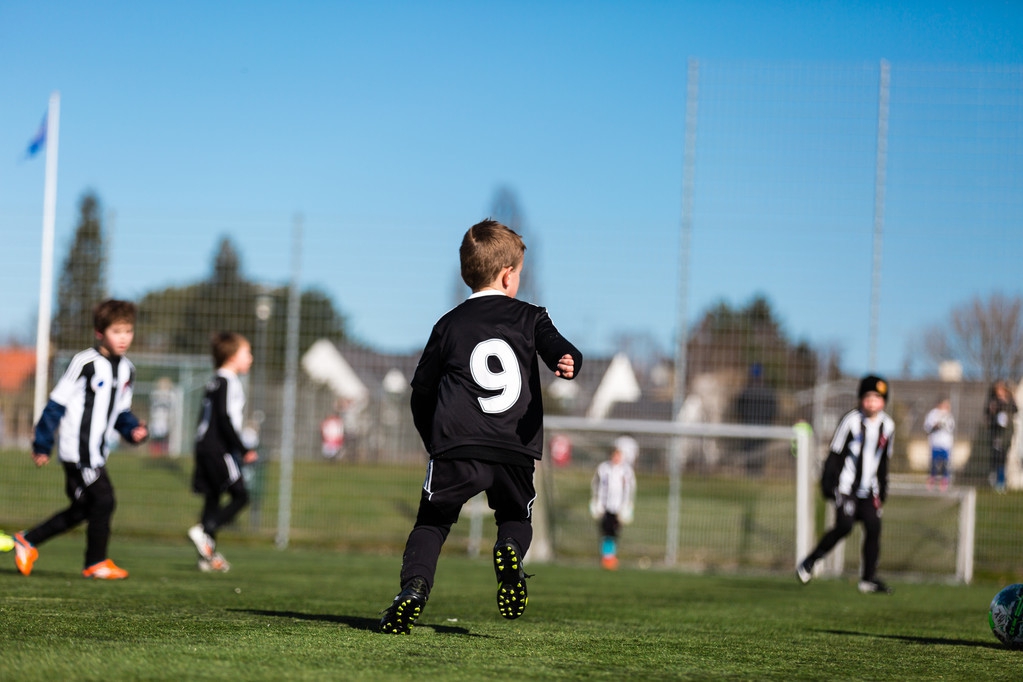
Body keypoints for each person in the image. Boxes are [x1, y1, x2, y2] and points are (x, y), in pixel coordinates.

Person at [379, 219, 582, 635]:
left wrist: (433, 437)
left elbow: (421, 390)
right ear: (509, 275)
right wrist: (567, 357)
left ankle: (413, 590)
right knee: (515, 517)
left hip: (457, 444)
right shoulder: (532, 317)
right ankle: (509, 551)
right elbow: (558, 346)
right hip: (514, 447)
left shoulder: (449, 324)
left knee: (433, 523)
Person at [13, 299, 149, 579]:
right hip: (77, 450)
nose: (124, 338)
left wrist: (133, 430)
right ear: (100, 332)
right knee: (104, 500)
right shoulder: (84, 362)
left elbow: (121, 411)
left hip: (98, 453)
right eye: (117, 331)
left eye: (128, 331)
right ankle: (95, 562)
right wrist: (42, 443)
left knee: (85, 508)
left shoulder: (127, 370)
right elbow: (55, 404)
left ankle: (28, 540)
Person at [797, 375, 895, 594]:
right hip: (846, 487)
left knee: (874, 527)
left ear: (884, 401)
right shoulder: (851, 421)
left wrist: (883, 488)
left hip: (870, 490)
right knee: (845, 525)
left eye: (878, 397)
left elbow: (883, 461)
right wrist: (827, 482)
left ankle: (868, 579)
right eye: (868, 396)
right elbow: (835, 453)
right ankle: (811, 560)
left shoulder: (888, 426)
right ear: (861, 398)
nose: (872, 401)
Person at [187, 332, 258, 572]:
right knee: (241, 495)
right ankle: (204, 532)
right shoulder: (228, 381)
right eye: (247, 353)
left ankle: (207, 557)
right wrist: (243, 448)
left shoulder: (214, 380)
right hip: (218, 448)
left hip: (204, 445)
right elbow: (224, 418)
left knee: (213, 499)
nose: (251, 358)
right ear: (231, 356)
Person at [589, 436, 637, 570]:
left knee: (614, 532)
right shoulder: (603, 468)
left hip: (619, 507)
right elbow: (595, 485)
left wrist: (628, 506)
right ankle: (606, 557)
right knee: (605, 530)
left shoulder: (626, 471)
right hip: (605, 506)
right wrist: (596, 501)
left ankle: (610, 556)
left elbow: (630, 489)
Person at [986, 380, 1018, 494]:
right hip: (996, 432)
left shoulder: (1010, 400)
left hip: (1006, 433)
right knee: (996, 456)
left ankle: (1001, 482)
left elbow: (1015, 409)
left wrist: (1005, 403)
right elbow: (987, 413)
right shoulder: (993, 400)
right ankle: (994, 479)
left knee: (1003, 458)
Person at [923, 397, 955, 492]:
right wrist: (935, 426)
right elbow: (927, 427)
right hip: (935, 442)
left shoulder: (948, 415)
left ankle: (944, 481)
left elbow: (951, 427)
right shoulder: (933, 414)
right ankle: (932, 480)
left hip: (945, 444)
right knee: (934, 463)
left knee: (945, 463)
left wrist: (943, 425)